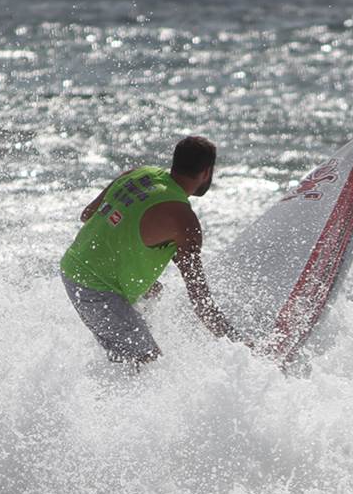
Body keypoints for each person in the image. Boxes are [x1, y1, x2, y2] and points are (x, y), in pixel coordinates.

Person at [60, 135, 240, 364]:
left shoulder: (138, 174)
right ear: (206, 172)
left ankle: (121, 352)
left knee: (153, 292)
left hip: (72, 265)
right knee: (151, 364)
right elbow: (200, 301)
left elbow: (87, 215)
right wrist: (242, 348)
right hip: (95, 288)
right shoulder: (184, 222)